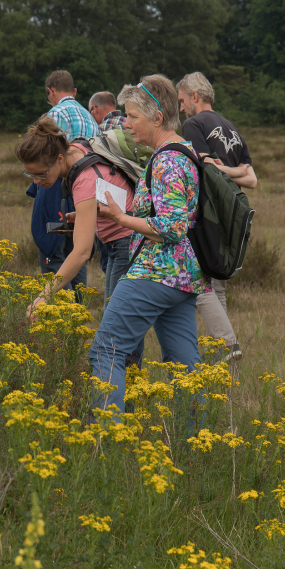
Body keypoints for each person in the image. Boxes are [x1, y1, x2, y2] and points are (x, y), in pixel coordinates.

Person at [91, 74, 209, 413]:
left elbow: (172, 226)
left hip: (156, 271)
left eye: (133, 117)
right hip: (181, 277)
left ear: (157, 118)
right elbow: (170, 212)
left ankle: (105, 438)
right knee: (183, 365)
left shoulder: (167, 159)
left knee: (106, 350)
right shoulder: (182, 149)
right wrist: (118, 211)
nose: (126, 124)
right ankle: (193, 445)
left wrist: (121, 219)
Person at [15, 117, 135, 317]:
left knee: (116, 321)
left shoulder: (83, 180)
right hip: (119, 240)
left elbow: (81, 252)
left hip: (126, 242)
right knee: (118, 318)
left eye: (40, 174)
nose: (36, 181)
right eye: (30, 175)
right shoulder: (75, 148)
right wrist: (83, 215)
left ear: (59, 160)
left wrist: (44, 295)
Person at [177, 71, 257, 359]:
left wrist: (217, 166)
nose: (181, 107)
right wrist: (234, 170)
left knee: (198, 282)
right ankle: (226, 352)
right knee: (217, 285)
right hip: (231, 214)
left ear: (195, 97)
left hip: (207, 215)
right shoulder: (232, 128)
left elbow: (206, 167)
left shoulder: (193, 124)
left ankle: (227, 343)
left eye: (183, 101)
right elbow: (249, 178)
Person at [26, 71, 99, 293]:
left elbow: (44, 159)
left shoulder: (54, 114)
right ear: (74, 91)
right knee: (76, 249)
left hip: (57, 190)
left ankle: (59, 309)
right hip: (84, 190)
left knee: (52, 252)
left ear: (51, 92)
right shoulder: (89, 116)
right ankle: (79, 309)